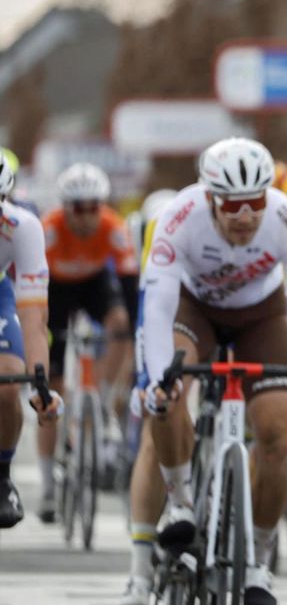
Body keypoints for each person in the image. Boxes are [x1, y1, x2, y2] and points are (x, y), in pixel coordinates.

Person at [122, 137, 287, 605]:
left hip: (262, 314)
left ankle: (257, 561)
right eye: (232, 205)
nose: (245, 216)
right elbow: (155, 306)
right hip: (191, 309)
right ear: (209, 197)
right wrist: (155, 379)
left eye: (255, 201)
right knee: (168, 396)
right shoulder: (176, 217)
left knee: (280, 431)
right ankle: (179, 506)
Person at [39, 162, 140, 520]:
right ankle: (49, 487)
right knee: (50, 390)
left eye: (93, 207)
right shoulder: (48, 231)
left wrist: (131, 332)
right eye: (77, 208)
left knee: (121, 323)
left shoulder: (114, 228)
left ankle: (100, 391)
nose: (85, 217)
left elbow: (129, 284)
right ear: (65, 208)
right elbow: (33, 289)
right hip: (56, 288)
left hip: (94, 284)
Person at [0, 151, 63, 529]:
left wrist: (40, 383)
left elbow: (33, 314)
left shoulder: (22, 226)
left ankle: (2, 475)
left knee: (9, 384)